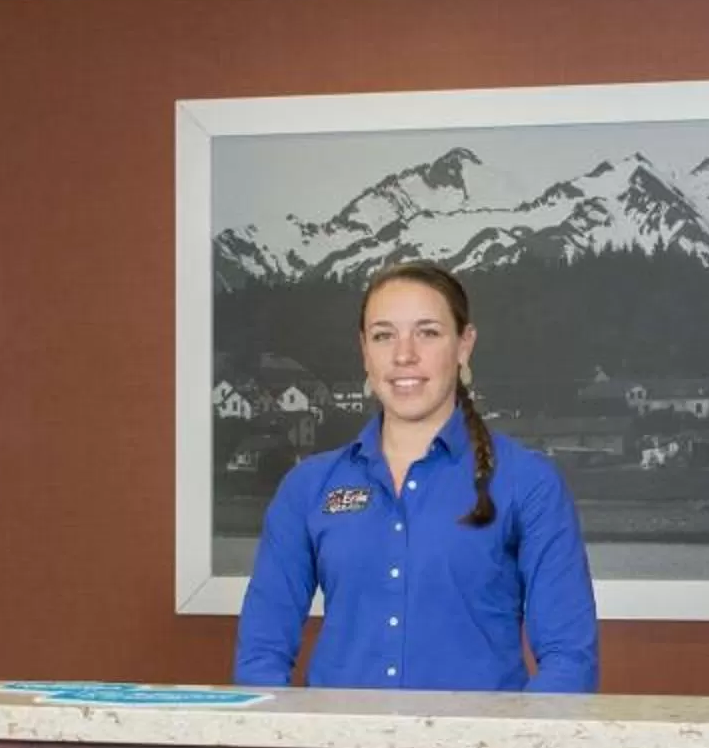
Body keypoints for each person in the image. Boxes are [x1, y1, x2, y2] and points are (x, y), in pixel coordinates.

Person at [234, 259, 600, 693]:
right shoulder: (307, 488)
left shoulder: (530, 483)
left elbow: (569, 660)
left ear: (464, 345)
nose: (404, 354)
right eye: (384, 335)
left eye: (427, 332)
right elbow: (261, 652)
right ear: (364, 351)